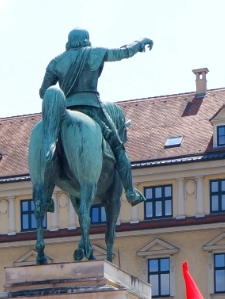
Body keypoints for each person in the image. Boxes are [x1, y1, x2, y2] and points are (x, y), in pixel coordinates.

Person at [38, 28, 151, 205]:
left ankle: (45, 198)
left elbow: (43, 92)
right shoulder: (95, 53)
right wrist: (140, 43)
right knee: (119, 148)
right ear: (86, 40)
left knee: (49, 149)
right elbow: (123, 52)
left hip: (64, 112)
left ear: (69, 41)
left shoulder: (56, 62)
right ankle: (130, 191)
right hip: (93, 109)